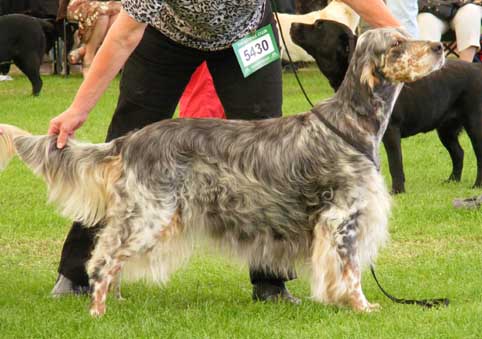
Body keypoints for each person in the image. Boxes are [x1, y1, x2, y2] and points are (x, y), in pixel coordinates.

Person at [48, 0, 401, 301]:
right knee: (128, 139)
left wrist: (400, 33)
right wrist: (78, 109)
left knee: (271, 156)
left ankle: (270, 283)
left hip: (245, 35)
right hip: (168, 37)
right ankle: (77, 274)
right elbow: (124, 35)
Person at [57, 0, 121, 76]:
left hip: (104, 4)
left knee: (122, 13)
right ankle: (88, 58)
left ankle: (83, 50)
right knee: (101, 13)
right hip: (78, 4)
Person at [418, 0, 482, 62]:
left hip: (463, 6)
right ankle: (430, 70)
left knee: (471, 11)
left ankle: (465, 68)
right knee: (425, 20)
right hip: (431, 9)